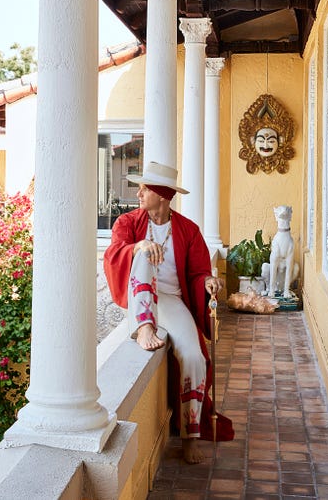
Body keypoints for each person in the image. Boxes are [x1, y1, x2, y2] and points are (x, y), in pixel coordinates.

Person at [103, 161, 234, 464]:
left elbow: (200, 272)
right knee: (144, 251)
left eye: (145, 189)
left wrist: (209, 281)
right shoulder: (127, 223)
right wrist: (139, 247)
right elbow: (113, 254)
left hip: (171, 300)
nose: (138, 194)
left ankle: (191, 434)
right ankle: (145, 327)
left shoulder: (188, 230)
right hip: (140, 299)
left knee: (194, 357)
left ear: (161, 195)